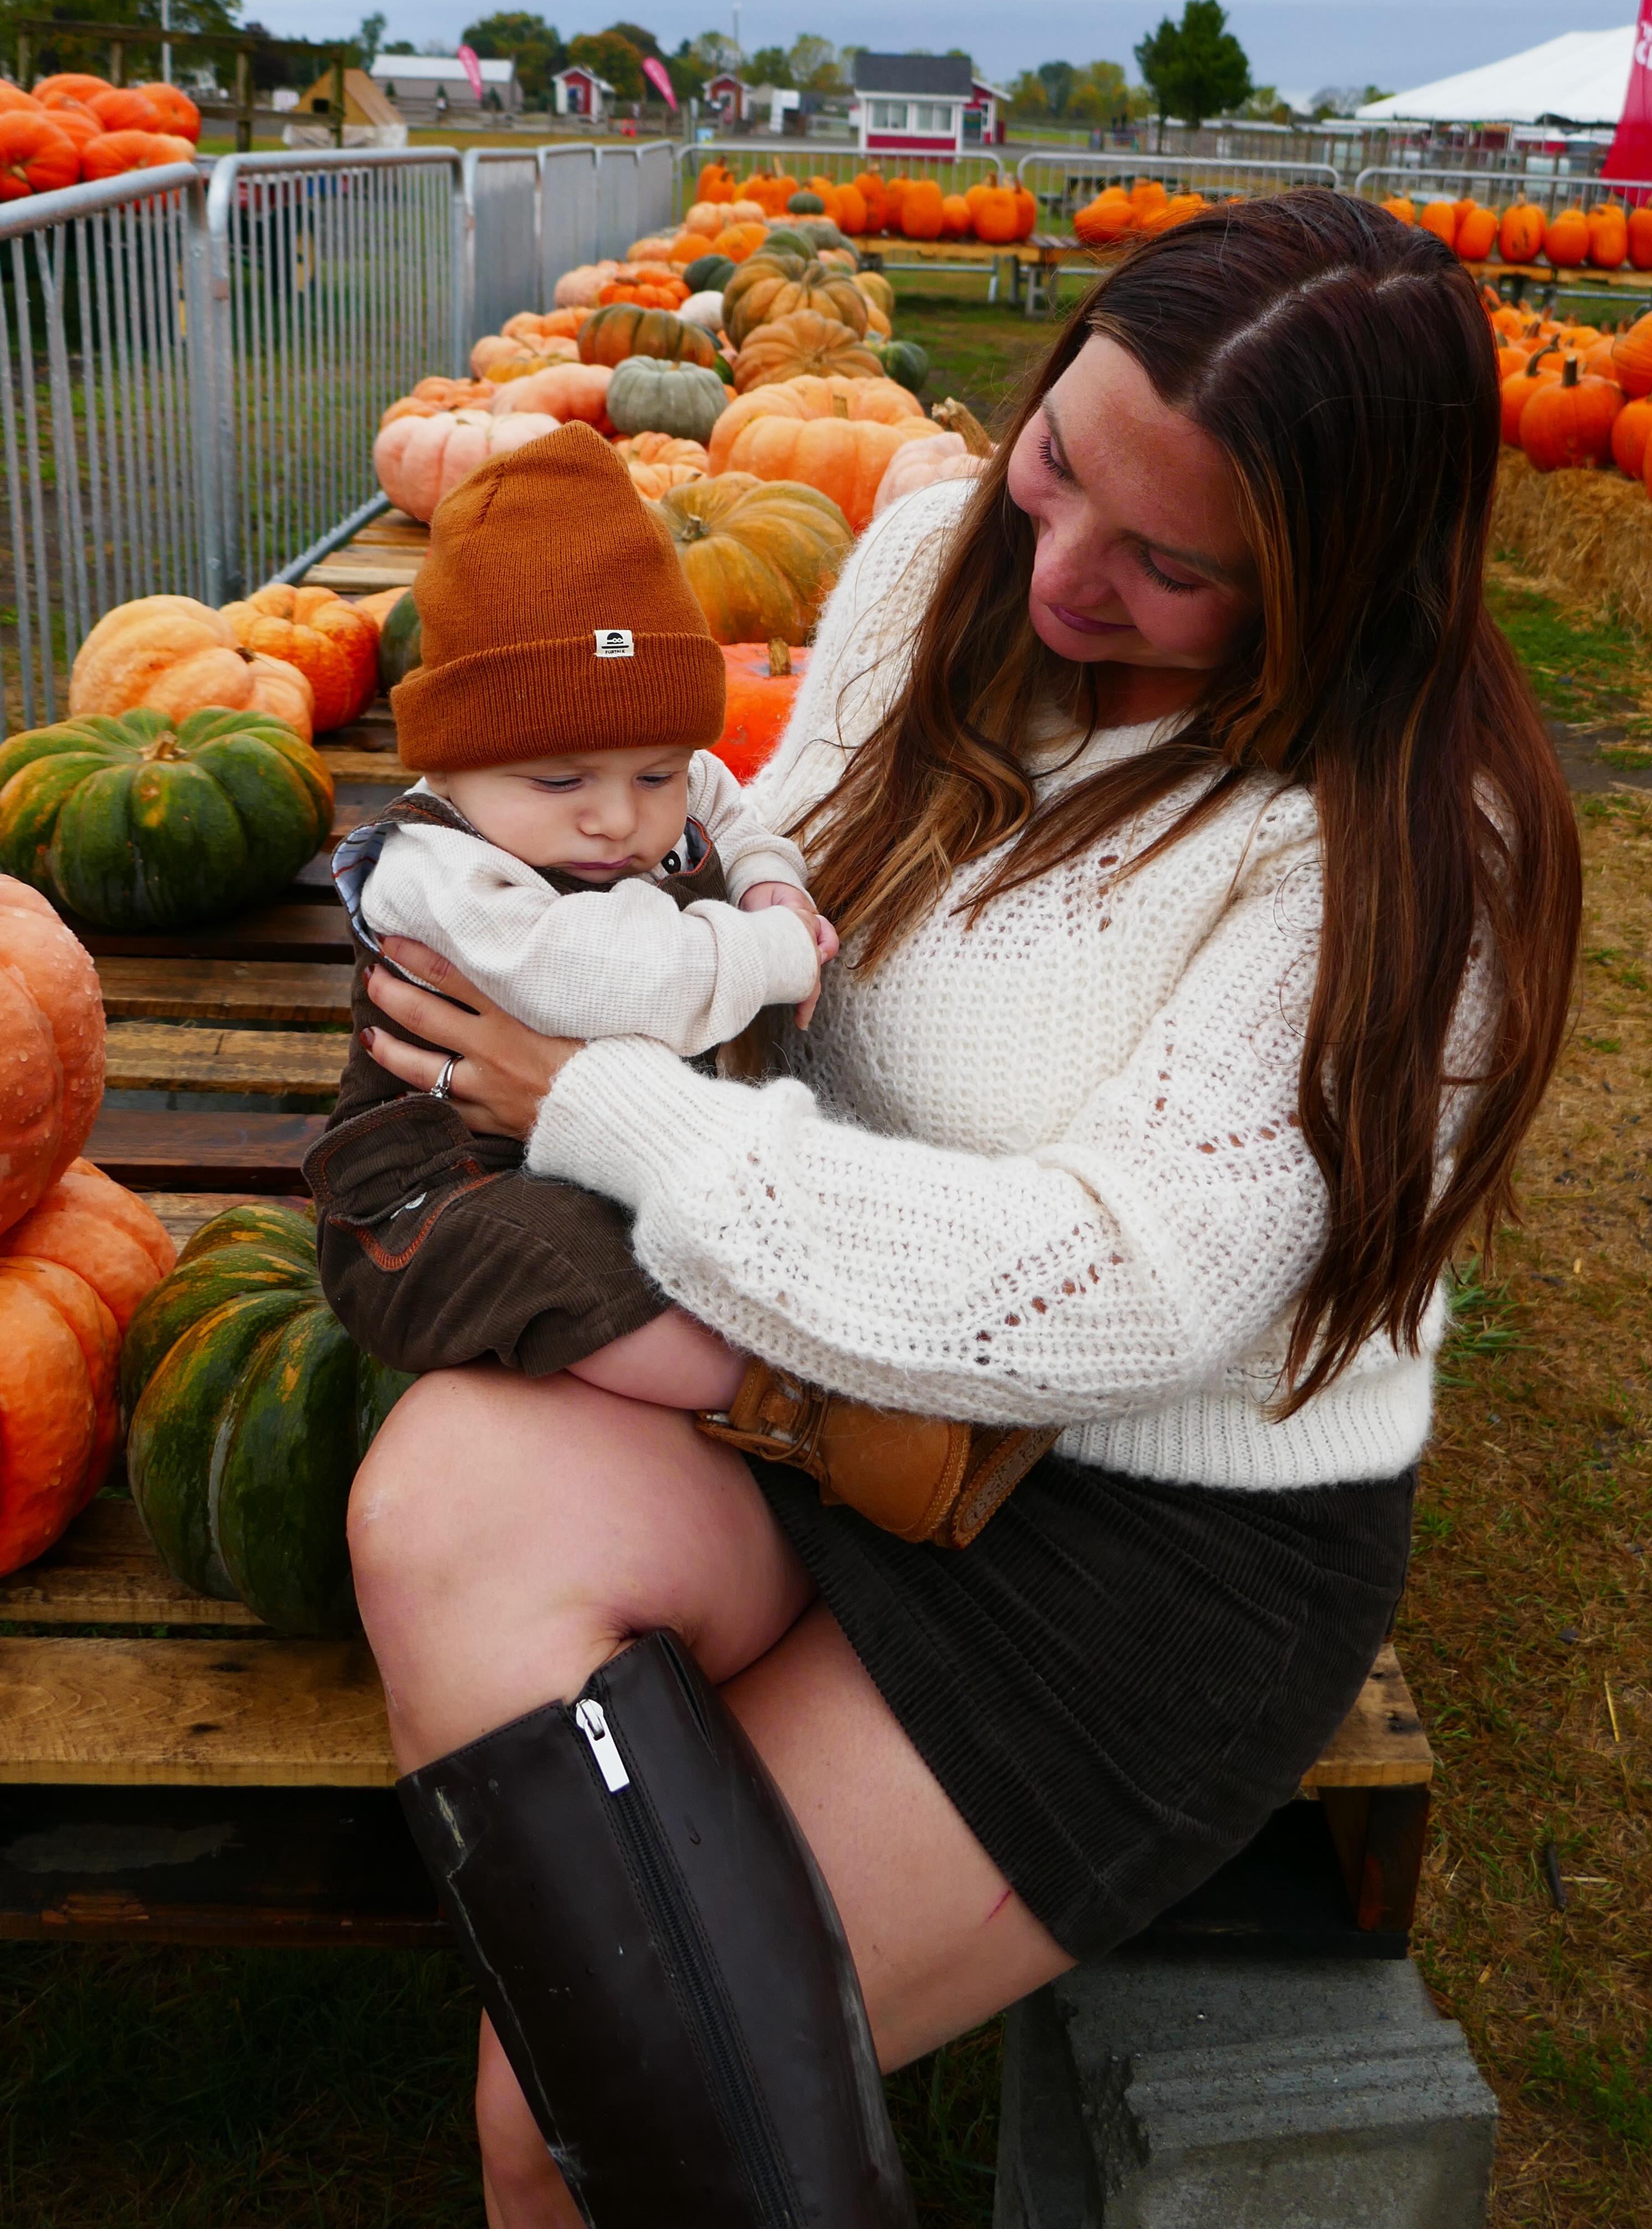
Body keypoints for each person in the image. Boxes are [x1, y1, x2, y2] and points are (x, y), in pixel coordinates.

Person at [340, 192, 1581, 2229]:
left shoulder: (1413, 840)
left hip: (1139, 1537)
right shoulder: (938, 554)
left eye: (1175, 565)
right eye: (1062, 465)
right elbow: (786, 902)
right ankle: (683, 1971)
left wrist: (608, 1104)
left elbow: (1125, 1286)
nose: (1067, 572)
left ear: (1345, 580)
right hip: (828, 1381)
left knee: (553, 2139)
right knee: (443, 1490)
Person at [310, 425, 829, 1423]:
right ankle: (766, 1410)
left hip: (609, 1137)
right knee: (565, 1263)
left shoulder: (649, 785)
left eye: (654, 772)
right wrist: (772, 954)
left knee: (700, 1234)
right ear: (449, 762)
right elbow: (595, 978)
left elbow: (727, 799)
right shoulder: (437, 870)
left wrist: (770, 882)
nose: (618, 818)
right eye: (560, 781)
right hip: (453, 1189)